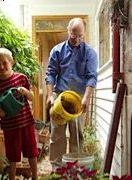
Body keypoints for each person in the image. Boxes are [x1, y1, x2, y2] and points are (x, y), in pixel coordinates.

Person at [45, 17, 98, 171]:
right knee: (57, 135)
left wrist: (87, 98)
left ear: (84, 34)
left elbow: (91, 77)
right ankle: (56, 170)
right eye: (74, 35)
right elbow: (50, 74)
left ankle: (74, 170)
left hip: (79, 99)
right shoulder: (57, 50)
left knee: (76, 135)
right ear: (68, 31)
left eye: (80, 36)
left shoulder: (90, 53)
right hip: (60, 97)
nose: (77, 39)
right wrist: (49, 95)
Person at [0, 48, 38, 180]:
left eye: (4, 63)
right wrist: (0, 113)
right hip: (10, 127)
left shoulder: (21, 78)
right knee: (13, 156)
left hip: (26, 123)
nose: (2, 66)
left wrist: (25, 92)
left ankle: (36, 177)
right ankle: (12, 178)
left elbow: (32, 97)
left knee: (32, 152)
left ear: (12, 62)